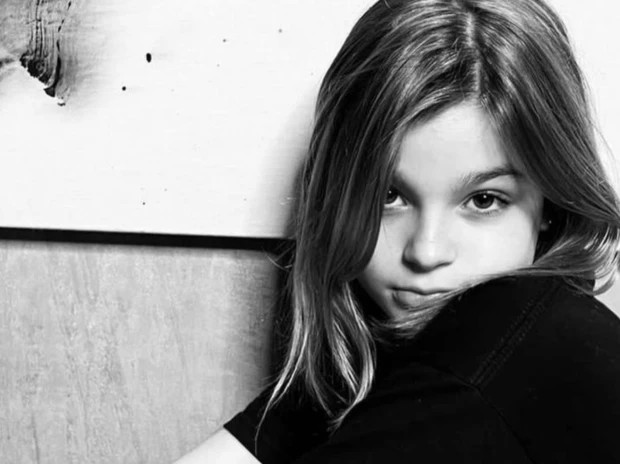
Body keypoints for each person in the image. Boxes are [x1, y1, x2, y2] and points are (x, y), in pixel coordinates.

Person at [174, 0, 620, 462]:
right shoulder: (383, 357)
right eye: (389, 196)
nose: (426, 251)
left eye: (484, 200)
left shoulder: (521, 340)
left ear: (551, 199)